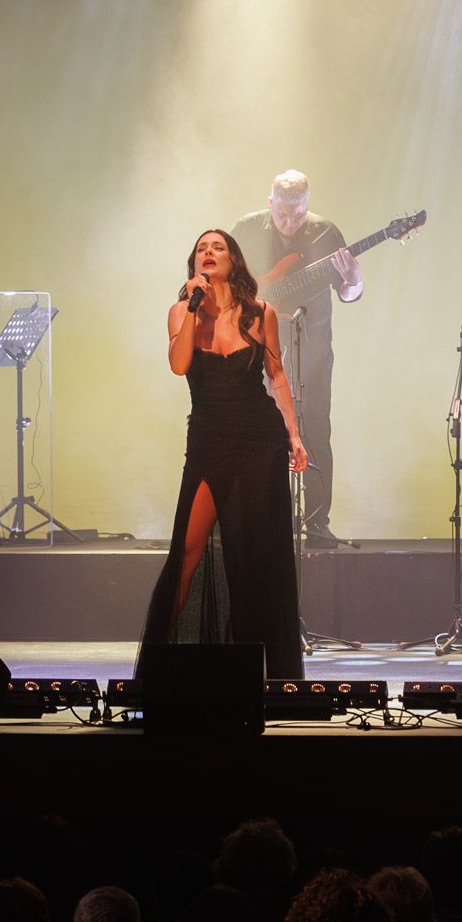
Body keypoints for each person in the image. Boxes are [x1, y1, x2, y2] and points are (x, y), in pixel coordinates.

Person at [139, 230, 307, 679]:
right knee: (188, 550)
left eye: (217, 247)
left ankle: (265, 676)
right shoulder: (182, 310)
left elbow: (277, 375)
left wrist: (293, 435)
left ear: (233, 259)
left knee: (257, 557)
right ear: (194, 263)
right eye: (201, 249)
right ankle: (157, 671)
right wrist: (194, 307)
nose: (208, 253)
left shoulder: (260, 312)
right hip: (209, 441)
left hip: (260, 441)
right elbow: (179, 365)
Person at [232, 170, 361, 542]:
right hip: (258, 350)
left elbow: (349, 295)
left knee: (315, 429)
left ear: (308, 205)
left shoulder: (326, 235)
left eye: (298, 214)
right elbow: (223, 283)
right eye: (283, 214)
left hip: (312, 349)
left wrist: (354, 279)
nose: (290, 222)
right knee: (260, 431)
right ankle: (264, 520)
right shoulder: (246, 229)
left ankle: (317, 523)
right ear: (270, 203)